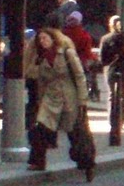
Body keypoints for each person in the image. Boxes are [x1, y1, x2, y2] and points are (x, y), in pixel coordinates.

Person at [25, 18, 91, 177]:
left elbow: (79, 75)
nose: (42, 41)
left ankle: (86, 162)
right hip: (51, 96)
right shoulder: (40, 56)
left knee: (75, 131)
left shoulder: (66, 51)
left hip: (69, 96)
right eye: (40, 39)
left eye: (45, 38)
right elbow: (38, 78)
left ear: (52, 37)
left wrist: (82, 100)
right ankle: (37, 161)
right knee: (40, 128)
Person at [98, 14, 124, 146]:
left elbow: (102, 58)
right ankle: (121, 120)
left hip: (111, 69)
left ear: (110, 25)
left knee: (112, 95)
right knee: (123, 95)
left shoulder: (106, 38)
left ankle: (112, 121)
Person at [61, 10, 100, 104]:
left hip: (64, 62)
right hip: (80, 63)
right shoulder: (84, 35)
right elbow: (87, 53)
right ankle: (92, 93)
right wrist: (94, 58)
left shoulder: (62, 33)